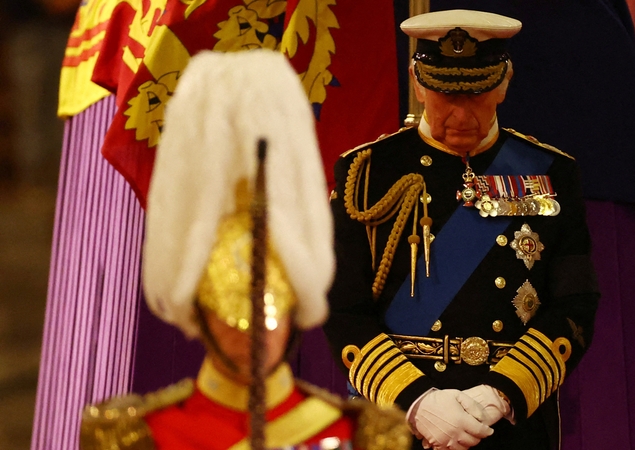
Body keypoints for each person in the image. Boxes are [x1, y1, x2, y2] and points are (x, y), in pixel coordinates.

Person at [79, 49, 410, 450]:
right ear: (198, 308)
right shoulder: (138, 438)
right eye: (229, 309)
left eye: (273, 308)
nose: (256, 331)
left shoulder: (361, 437)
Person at [323, 10, 599, 450]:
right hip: (400, 419)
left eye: (477, 94)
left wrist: (500, 395)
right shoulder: (367, 172)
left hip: (508, 423)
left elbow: (575, 304)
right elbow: (343, 308)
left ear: (505, 82)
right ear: (418, 83)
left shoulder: (550, 173)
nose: (460, 113)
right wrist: (415, 402)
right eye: (444, 95)